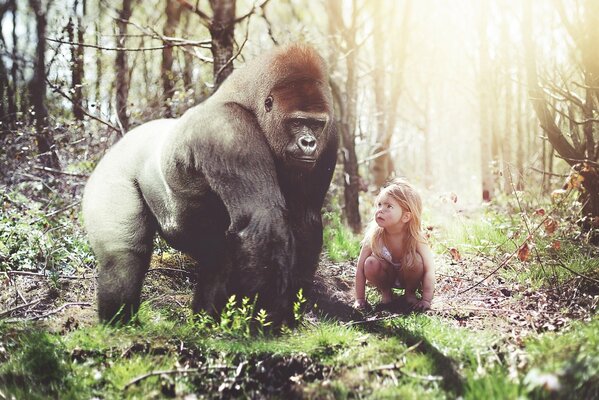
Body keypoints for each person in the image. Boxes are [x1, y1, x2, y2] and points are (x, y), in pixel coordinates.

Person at [354, 178, 435, 311]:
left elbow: (429, 269)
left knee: (416, 260)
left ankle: (410, 294)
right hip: (386, 275)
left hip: (409, 276)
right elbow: (360, 269)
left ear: (406, 217)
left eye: (388, 206)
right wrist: (360, 299)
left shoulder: (415, 237)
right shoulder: (374, 235)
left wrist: (426, 300)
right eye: (379, 205)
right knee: (370, 263)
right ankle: (386, 294)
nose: (380, 210)